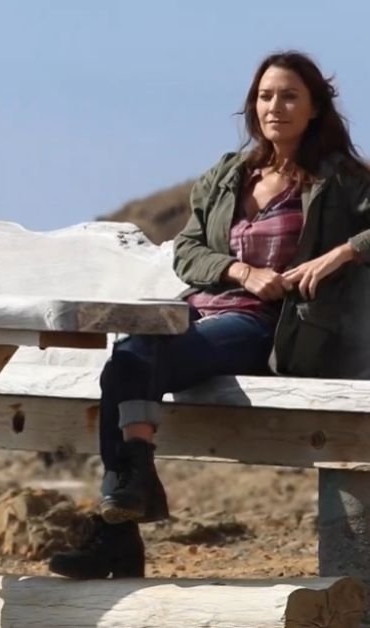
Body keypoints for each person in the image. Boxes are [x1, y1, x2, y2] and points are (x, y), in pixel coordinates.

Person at [49, 50, 370, 579]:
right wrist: (240, 271)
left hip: (267, 327)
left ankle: (119, 528)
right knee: (129, 354)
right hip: (201, 310)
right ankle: (132, 491)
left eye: (290, 96)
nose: (275, 107)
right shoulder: (229, 174)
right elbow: (188, 250)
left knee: (130, 364)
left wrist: (340, 253)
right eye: (265, 96)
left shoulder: (340, 179)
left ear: (315, 107)